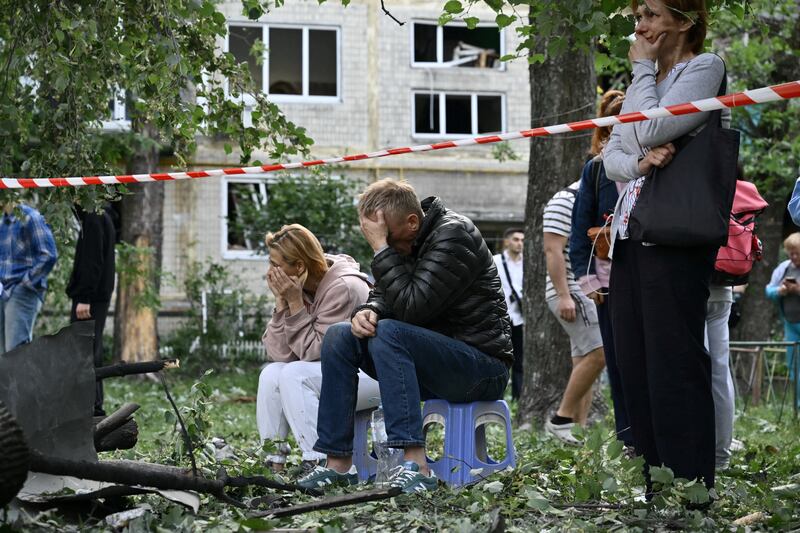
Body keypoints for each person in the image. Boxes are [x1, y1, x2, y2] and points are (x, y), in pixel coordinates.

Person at [299, 178, 512, 493]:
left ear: (413, 222)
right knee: (340, 336)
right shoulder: (408, 240)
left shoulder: (454, 235)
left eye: (387, 238)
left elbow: (413, 307)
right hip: (435, 363)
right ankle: (338, 463)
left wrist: (381, 249)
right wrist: (367, 311)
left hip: (481, 368)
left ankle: (417, 464)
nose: (384, 245)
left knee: (389, 332)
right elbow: (387, 296)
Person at [603, 0, 727, 491]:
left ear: (684, 19)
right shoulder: (647, 80)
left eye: (651, 14)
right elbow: (611, 154)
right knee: (635, 361)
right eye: (638, 16)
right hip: (631, 235)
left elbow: (651, 127)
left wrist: (640, 72)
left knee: (673, 359)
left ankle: (691, 484)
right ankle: (656, 480)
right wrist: (640, 160)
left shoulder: (705, 66)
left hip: (677, 234)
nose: (641, 25)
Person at [257, 224, 380, 471]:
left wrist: (294, 303)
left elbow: (314, 352)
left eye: (275, 264)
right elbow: (280, 354)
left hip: (373, 374)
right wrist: (282, 304)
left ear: (299, 267)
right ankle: (274, 462)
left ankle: (320, 461)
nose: (270, 272)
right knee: (271, 373)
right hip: (337, 374)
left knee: (294, 375)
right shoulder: (300, 286)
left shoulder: (343, 287)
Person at [569, 89, 633, 448]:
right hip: (609, 286)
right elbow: (579, 233)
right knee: (619, 364)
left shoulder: (652, 166)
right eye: (615, 128)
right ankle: (629, 439)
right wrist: (589, 281)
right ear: (605, 132)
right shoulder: (596, 170)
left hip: (648, 279)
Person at [543, 182, 606, 445]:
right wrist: (564, 295)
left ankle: (577, 432)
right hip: (572, 291)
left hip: (586, 289)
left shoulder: (591, 199)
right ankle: (560, 420)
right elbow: (552, 250)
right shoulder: (564, 199)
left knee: (584, 362)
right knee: (601, 353)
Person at [67, 204, 117, 416]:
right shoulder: (101, 215)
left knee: (84, 352)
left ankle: (91, 407)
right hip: (96, 297)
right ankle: (92, 405)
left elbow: (92, 260)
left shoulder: (94, 218)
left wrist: (84, 296)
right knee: (89, 351)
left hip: (90, 299)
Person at [0, 202, 57, 353]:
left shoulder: (31, 217)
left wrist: (26, 283)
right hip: (2, 291)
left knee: (16, 354)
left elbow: (49, 255)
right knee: (3, 357)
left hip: (22, 291)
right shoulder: (2, 222)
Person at [765, 232, 800, 409]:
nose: (793, 257)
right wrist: (781, 291)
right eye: (791, 253)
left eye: (797, 253)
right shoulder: (784, 268)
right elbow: (768, 291)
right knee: (795, 367)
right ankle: (797, 407)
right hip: (791, 323)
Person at [493, 228, 525, 400]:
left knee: (520, 360)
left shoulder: (527, 263)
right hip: (501, 316)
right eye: (516, 239)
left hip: (520, 317)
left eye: (522, 240)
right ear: (506, 241)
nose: (519, 243)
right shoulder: (496, 261)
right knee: (500, 359)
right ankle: (498, 396)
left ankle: (518, 397)